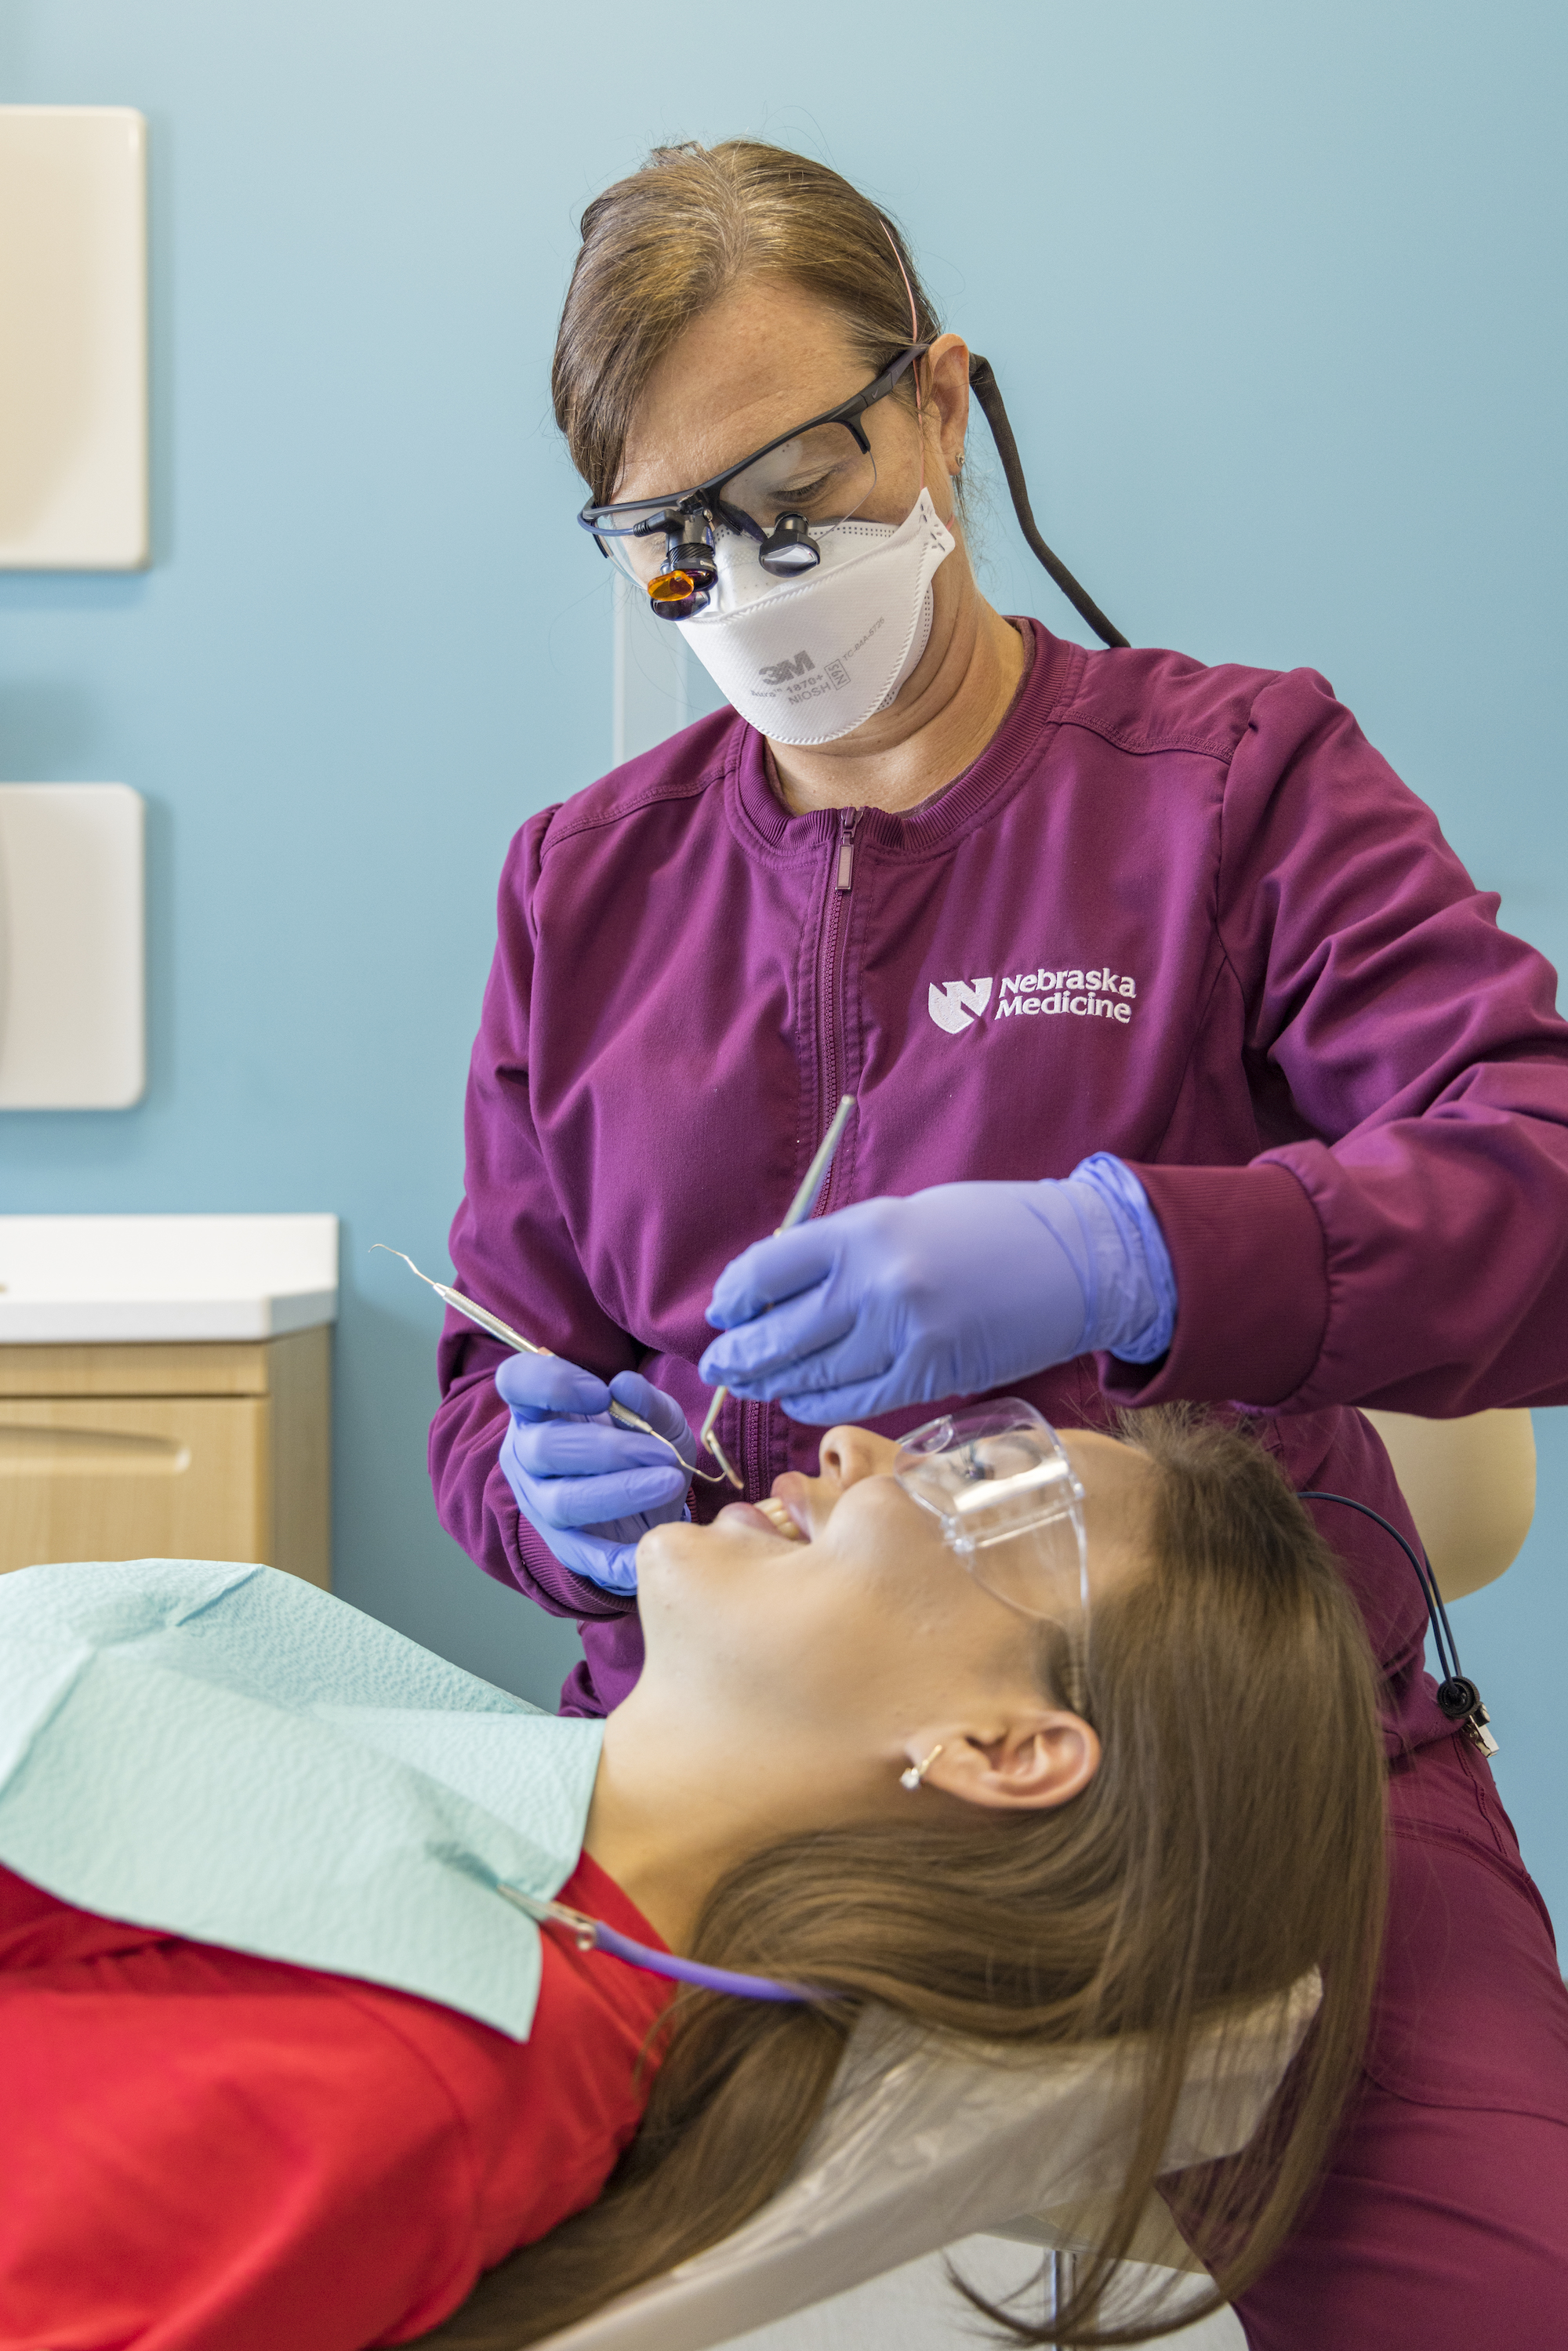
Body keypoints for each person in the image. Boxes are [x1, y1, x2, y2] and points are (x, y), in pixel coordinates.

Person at [427, 139, 1568, 2347]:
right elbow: (496, 1376)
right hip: (765, 1824)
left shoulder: (1232, 787)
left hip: (1243, 1781)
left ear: (939, 404)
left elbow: (1543, 1179)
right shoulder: (586, 888)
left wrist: (1133, 1256)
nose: (753, 580)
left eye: (796, 489)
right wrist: (546, 1500)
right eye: (672, 546)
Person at [2, 1414, 1392, 2351]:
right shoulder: (478, 1836)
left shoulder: (403, 2067)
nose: (854, 1444)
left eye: (976, 1486)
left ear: (1003, 1749)